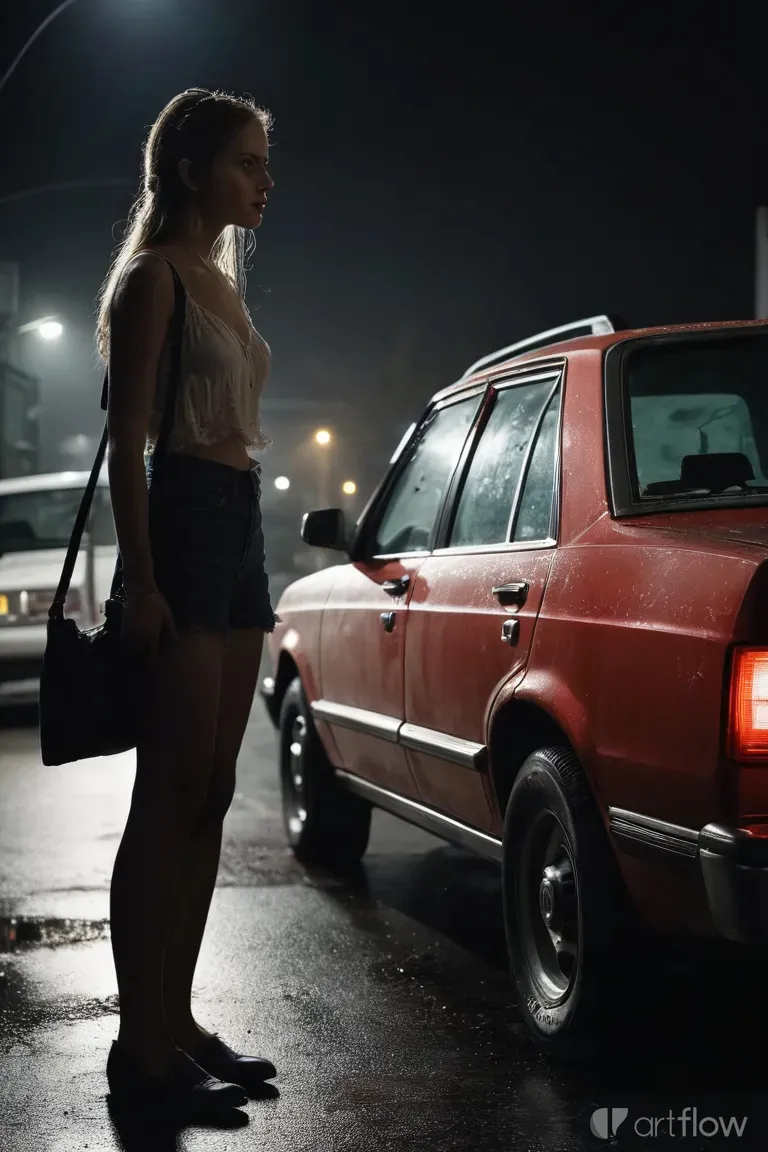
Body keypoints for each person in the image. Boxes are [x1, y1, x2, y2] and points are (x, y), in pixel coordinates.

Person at [97, 87, 278, 1114]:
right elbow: (130, 447)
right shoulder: (153, 279)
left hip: (239, 520)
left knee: (211, 789)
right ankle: (142, 1050)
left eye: (265, 162)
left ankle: (178, 1018)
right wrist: (143, 579)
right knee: (167, 795)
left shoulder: (221, 283)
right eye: (248, 162)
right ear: (192, 168)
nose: (265, 181)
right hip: (185, 521)